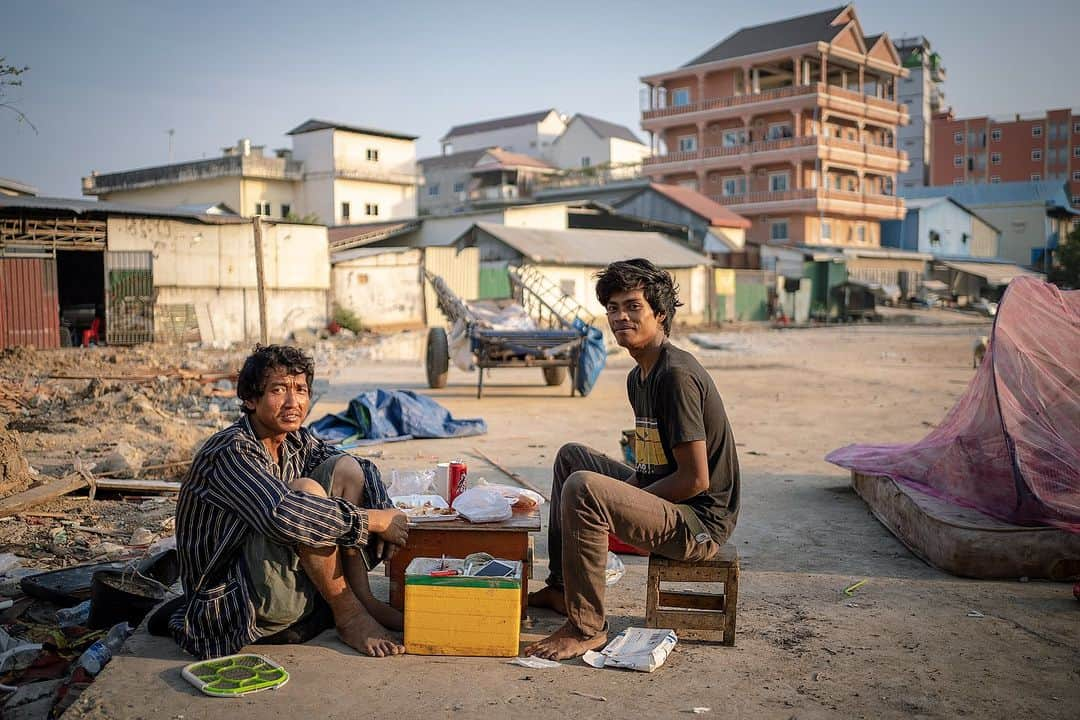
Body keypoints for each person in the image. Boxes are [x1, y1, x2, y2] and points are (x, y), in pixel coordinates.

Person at [525, 259, 740, 660]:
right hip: (670, 504)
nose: (620, 316)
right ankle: (560, 589)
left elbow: (695, 480)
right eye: (612, 308)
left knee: (583, 489)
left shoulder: (675, 376)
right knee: (572, 459)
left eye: (632, 306)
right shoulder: (638, 376)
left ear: (659, 313)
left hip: (698, 524)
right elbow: (652, 464)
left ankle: (587, 627)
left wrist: (619, 509)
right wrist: (626, 498)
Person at [159, 344, 409, 659]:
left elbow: (361, 468)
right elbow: (283, 514)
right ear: (250, 399)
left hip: (275, 585)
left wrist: (389, 513)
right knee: (304, 494)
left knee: (346, 469)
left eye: (301, 390)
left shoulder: (294, 440)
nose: (293, 402)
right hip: (239, 603)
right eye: (279, 390)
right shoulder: (230, 451)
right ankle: (349, 614)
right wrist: (372, 521)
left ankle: (361, 598)